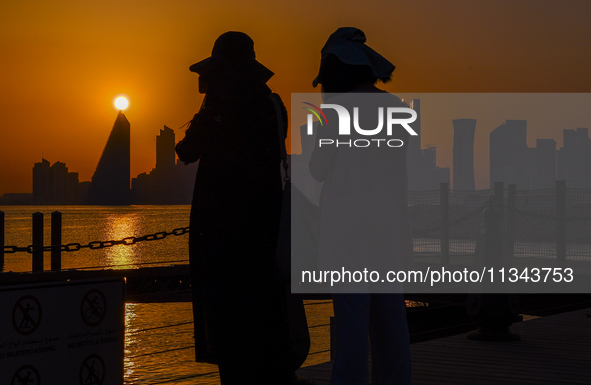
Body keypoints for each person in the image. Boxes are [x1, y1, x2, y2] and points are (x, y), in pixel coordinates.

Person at [175, 31, 298, 385]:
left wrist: (208, 111)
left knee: (228, 321)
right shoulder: (273, 105)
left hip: (221, 232)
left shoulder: (218, 108)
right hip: (265, 225)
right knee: (266, 311)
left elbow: (186, 151)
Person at [308, 27, 414, 385]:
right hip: (389, 223)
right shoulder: (396, 106)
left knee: (352, 319)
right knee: (390, 316)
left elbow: (318, 169)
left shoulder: (337, 112)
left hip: (347, 227)